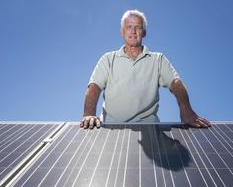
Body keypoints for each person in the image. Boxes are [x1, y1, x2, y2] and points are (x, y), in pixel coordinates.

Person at [80, 9, 211, 129]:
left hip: (149, 128)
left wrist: (186, 111)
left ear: (144, 32)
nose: (133, 31)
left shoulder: (158, 59)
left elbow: (176, 83)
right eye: (129, 27)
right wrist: (89, 114)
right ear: (122, 32)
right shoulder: (108, 59)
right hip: (110, 127)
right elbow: (94, 87)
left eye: (137, 27)